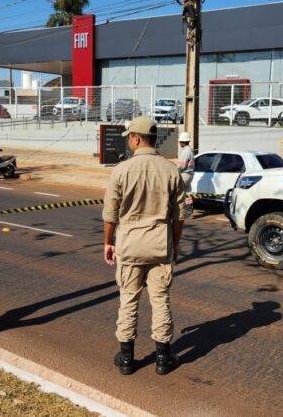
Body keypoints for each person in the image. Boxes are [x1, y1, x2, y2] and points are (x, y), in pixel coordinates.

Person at [102, 116, 186, 376]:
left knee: (128, 300)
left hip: (129, 246)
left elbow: (110, 214)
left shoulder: (121, 170)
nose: (129, 141)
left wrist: (108, 242)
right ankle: (163, 359)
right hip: (160, 246)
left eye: (130, 137)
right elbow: (179, 215)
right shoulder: (171, 170)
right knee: (160, 300)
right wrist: (175, 244)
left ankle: (126, 359)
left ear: (136, 138)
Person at [177, 131, 195, 219]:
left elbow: (181, 166)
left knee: (178, 191)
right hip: (190, 174)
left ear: (183, 141)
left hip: (185, 174)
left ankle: (180, 211)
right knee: (187, 193)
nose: (179, 143)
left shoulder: (186, 151)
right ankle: (190, 212)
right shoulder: (190, 150)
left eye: (180, 141)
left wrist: (175, 170)